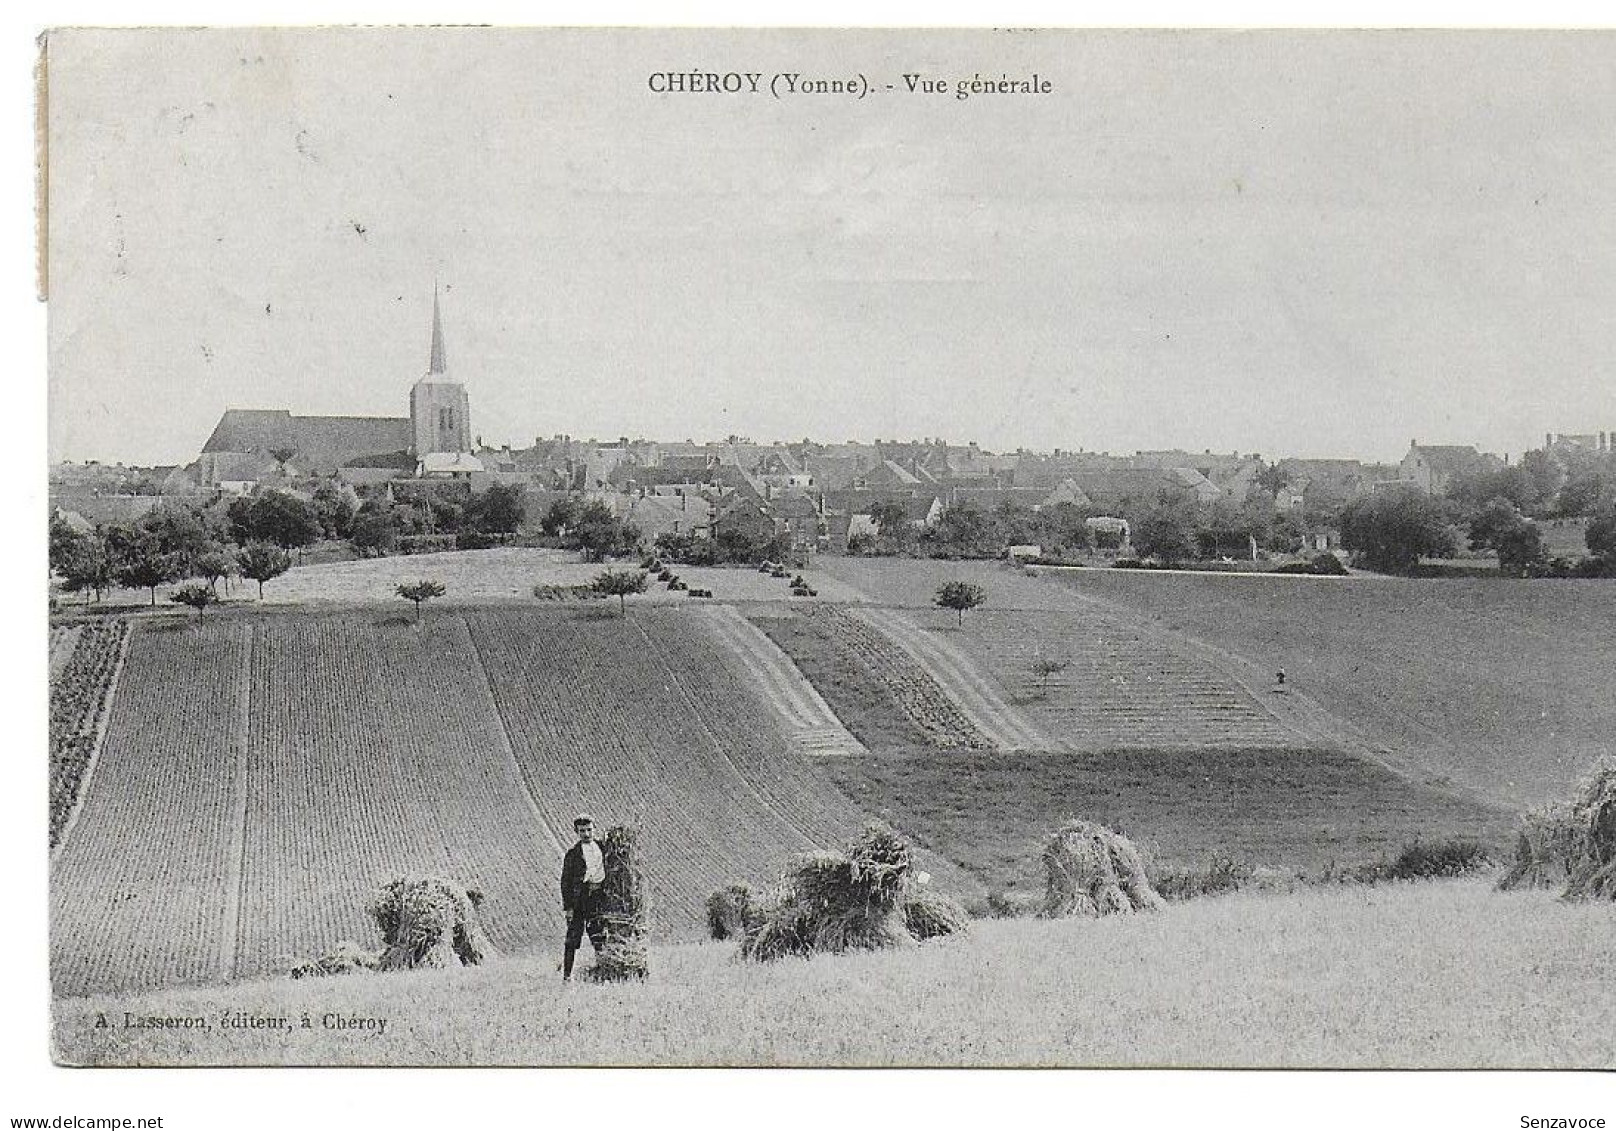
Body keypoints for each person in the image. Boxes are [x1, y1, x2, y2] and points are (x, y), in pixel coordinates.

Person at [560, 813, 608, 980]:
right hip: (580, 899)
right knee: (573, 938)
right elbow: (565, 882)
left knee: (599, 935)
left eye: (589, 830)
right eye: (582, 831)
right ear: (577, 832)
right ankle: (567, 976)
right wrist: (568, 908)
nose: (586, 834)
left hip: (598, 898)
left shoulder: (603, 848)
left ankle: (604, 971)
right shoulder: (573, 855)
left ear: (594, 829)